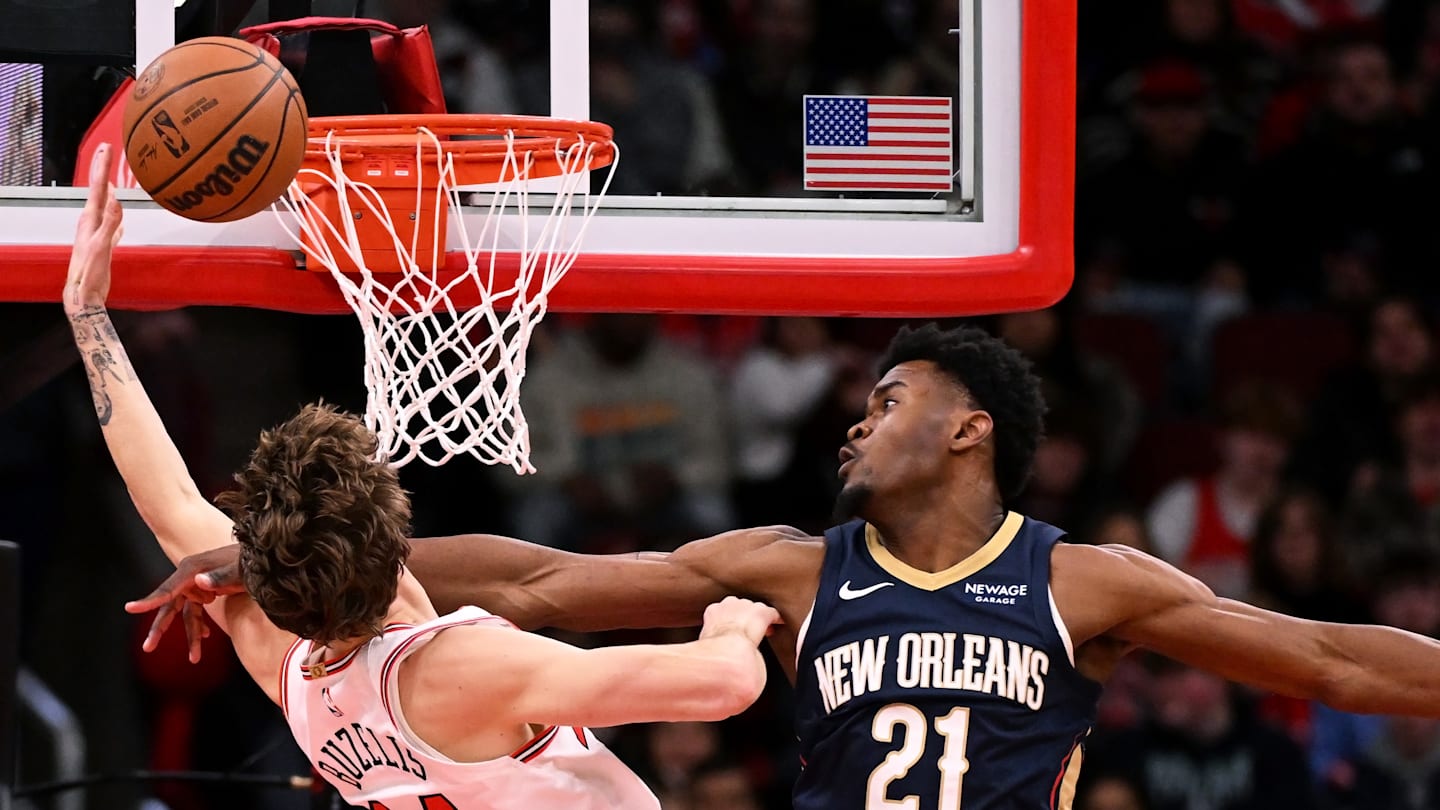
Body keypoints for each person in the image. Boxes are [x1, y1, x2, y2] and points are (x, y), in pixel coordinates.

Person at [142, 274, 1440, 808]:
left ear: (970, 428)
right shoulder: (793, 563)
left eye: (889, 400)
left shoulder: (1079, 577)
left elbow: (1325, 654)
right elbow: (543, 579)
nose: (855, 422)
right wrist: (300, 554)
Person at [67, 144, 780, 810]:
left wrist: (87, 314)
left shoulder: (283, 666)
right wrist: (733, 622)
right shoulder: (463, 666)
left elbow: (169, 505)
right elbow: (724, 686)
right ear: (398, 530)